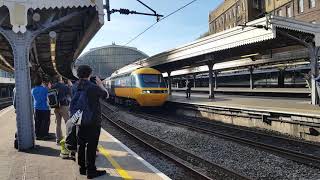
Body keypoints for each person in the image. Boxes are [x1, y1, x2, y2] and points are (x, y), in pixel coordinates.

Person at [70, 65, 109, 179]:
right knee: (91, 146)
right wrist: (101, 85)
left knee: (81, 144)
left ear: (78, 74)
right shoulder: (93, 87)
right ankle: (91, 171)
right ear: (90, 74)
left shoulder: (74, 87)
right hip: (93, 121)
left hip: (79, 119)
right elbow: (106, 95)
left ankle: (82, 168)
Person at [51, 76, 72, 145]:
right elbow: (71, 94)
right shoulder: (64, 86)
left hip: (56, 107)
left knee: (58, 124)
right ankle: (68, 138)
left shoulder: (53, 86)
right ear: (61, 79)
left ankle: (58, 139)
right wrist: (70, 85)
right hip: (64, 106)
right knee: (68, 122)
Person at [31, 75, 52, 140]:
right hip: (45, 108)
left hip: (36, 107)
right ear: (41, 82)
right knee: (45, 122)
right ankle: (45, 135)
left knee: (37, 122)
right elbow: (49, 97)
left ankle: (37, 135)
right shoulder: (45, 89)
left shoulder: (33, 90)